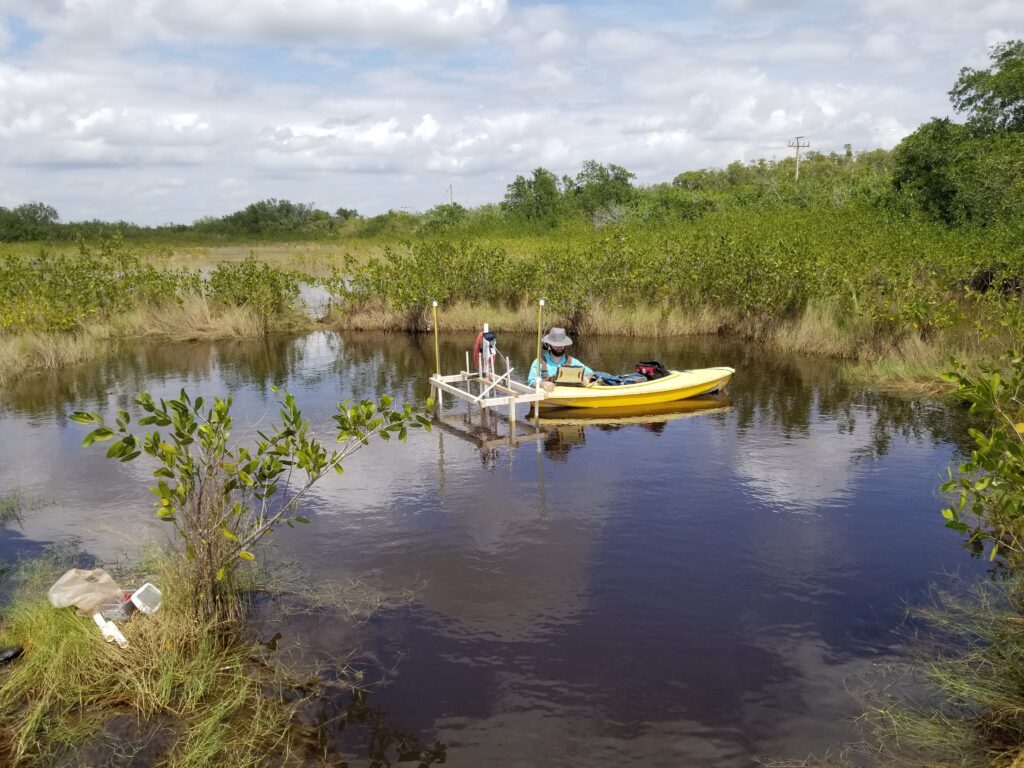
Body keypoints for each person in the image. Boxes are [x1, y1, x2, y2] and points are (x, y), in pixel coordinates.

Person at [527, 327, 594, 392]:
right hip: (547, 398)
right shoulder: (539, 362)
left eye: (562, 345)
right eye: (556, 345)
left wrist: (586, 378)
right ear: (549, 345)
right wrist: (542, 384)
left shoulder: (572, 361)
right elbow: (531, 382)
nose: (559, 347)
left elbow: (590, 372)